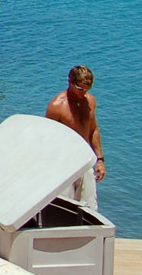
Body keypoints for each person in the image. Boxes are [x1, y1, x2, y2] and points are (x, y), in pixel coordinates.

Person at [45, 65, 105, 209]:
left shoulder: (90, 101)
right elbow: (47, 139)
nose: (83, 93)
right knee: (64, 207)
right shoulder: (57, 106)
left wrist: (100, 159)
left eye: (87, 89)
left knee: (90, 206)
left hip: (85, 161)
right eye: (80, 89)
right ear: (70, 81)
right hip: (63, 163)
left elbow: (93, 129)